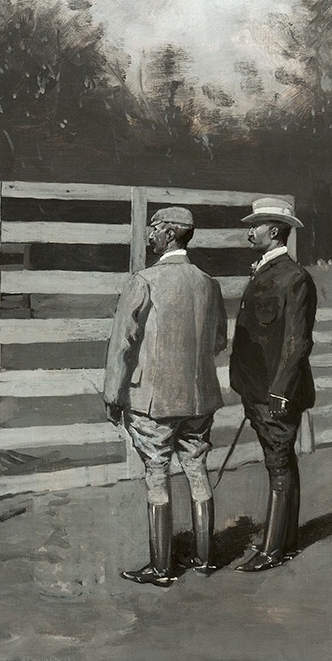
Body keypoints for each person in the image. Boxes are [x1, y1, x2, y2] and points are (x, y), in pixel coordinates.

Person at [103, 207, 227, 587]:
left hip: (153, 401)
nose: (150, 234)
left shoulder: (144, 280)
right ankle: (204, 558)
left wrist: (112, 394)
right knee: (197, 468)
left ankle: (161, 568)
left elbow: (122, 344)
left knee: (157, 474)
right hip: (200, 397)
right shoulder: (209, 283)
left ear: (170, 234)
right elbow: (219, 341)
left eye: (155, 228)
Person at [230, 197, 317, 573]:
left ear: (276, 231)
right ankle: (284, 539)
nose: (250, 231)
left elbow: (297, 342)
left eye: (257, 225)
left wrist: (280, 390)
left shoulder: (294, 278)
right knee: (280, 461)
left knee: (278, 464)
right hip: (257, 388)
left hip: (276, 392)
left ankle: (273, 550)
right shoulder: (266, 271)